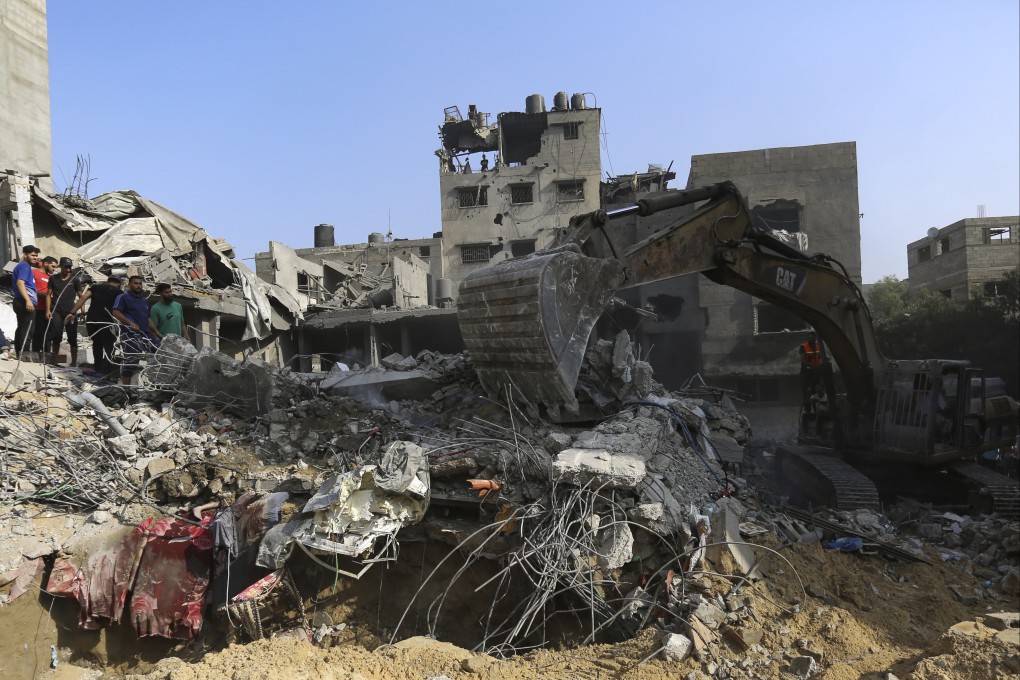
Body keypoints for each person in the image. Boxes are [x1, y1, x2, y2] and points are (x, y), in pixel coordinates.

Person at [67, 274, 123, 378]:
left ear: (108, 280)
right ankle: (105, 371)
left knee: (97, 344)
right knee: (109, 346)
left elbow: (83, 297)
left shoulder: (96, 287)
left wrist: (72, 312)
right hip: (107, 322)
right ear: (119, 284)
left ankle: (97, 368)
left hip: (92, 321)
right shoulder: (120, 293)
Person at [111, 275, 159, 385]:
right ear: (129, 285)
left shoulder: (144, 301)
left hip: (145, 334)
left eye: (140, 283)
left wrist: (157, 332)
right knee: (131, 361)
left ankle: (155, 386)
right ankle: (126, 390)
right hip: (130, 335)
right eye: (135, 283)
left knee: (158, 354)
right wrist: (130, 323)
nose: (138, 286)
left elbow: (147, 319)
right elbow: (116, 312)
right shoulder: (123, 297)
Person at [47, 257, 85, 366]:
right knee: (57, 336)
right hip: (56, 311)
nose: (68, 269)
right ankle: (54, 360)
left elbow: (81, 297)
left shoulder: (75, 280)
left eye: (69, 267)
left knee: (72, 337)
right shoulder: (53, 279)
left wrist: (82, 312)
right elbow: (48, 295)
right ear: (61, 267)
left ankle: (73, 362)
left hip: (70, 312)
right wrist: (47, 310)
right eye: (66, 267)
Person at [10, 245, 40, 360]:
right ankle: (24, 354)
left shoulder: (23, 266)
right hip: (24, 302)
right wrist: (28, 300)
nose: (35, 258)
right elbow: (20, 283)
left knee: (22, 327)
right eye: (32, 255)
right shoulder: (24, 266)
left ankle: (20, 353)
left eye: (36, 256)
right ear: (25, 254)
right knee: (28, 329)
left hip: (20, 301)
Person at [32, 256, 59, 361]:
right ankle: (35, 354)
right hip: (37, 307)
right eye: (53, 266)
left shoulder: (51, 278)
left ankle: (46, 355)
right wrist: (45, 295)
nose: (54, 269)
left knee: (48, 333)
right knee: (37, 332)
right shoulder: (34, 273)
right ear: (46, 264)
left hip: (48, 309)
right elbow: (31, 289)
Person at [799, 332, 822, 409]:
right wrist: (813, 366)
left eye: (812, 337)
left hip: (816, 372)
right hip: (806, 373)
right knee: (807, 392)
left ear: (815, 338)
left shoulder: (819, 346)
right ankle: (808, 411)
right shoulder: (803, 347)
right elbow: (803, 361)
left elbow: (821, 358)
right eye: (809, 337)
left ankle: (817, 409)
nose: (811, 338)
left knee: (817, 392)